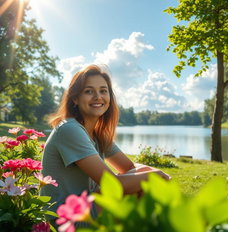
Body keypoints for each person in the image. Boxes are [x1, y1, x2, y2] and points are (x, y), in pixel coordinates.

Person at [41, 64, 170, 228]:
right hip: (69, 217)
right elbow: (112, 185)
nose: (98, 96)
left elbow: (128, 167)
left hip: (88, 203)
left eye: (103, 91)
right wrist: (160, 176)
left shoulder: (96, 133)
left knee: (144, 178)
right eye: (89, 91)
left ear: (109, 97)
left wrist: (150, 174)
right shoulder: (70, 129)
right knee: (148, 183)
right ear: (75, 98)